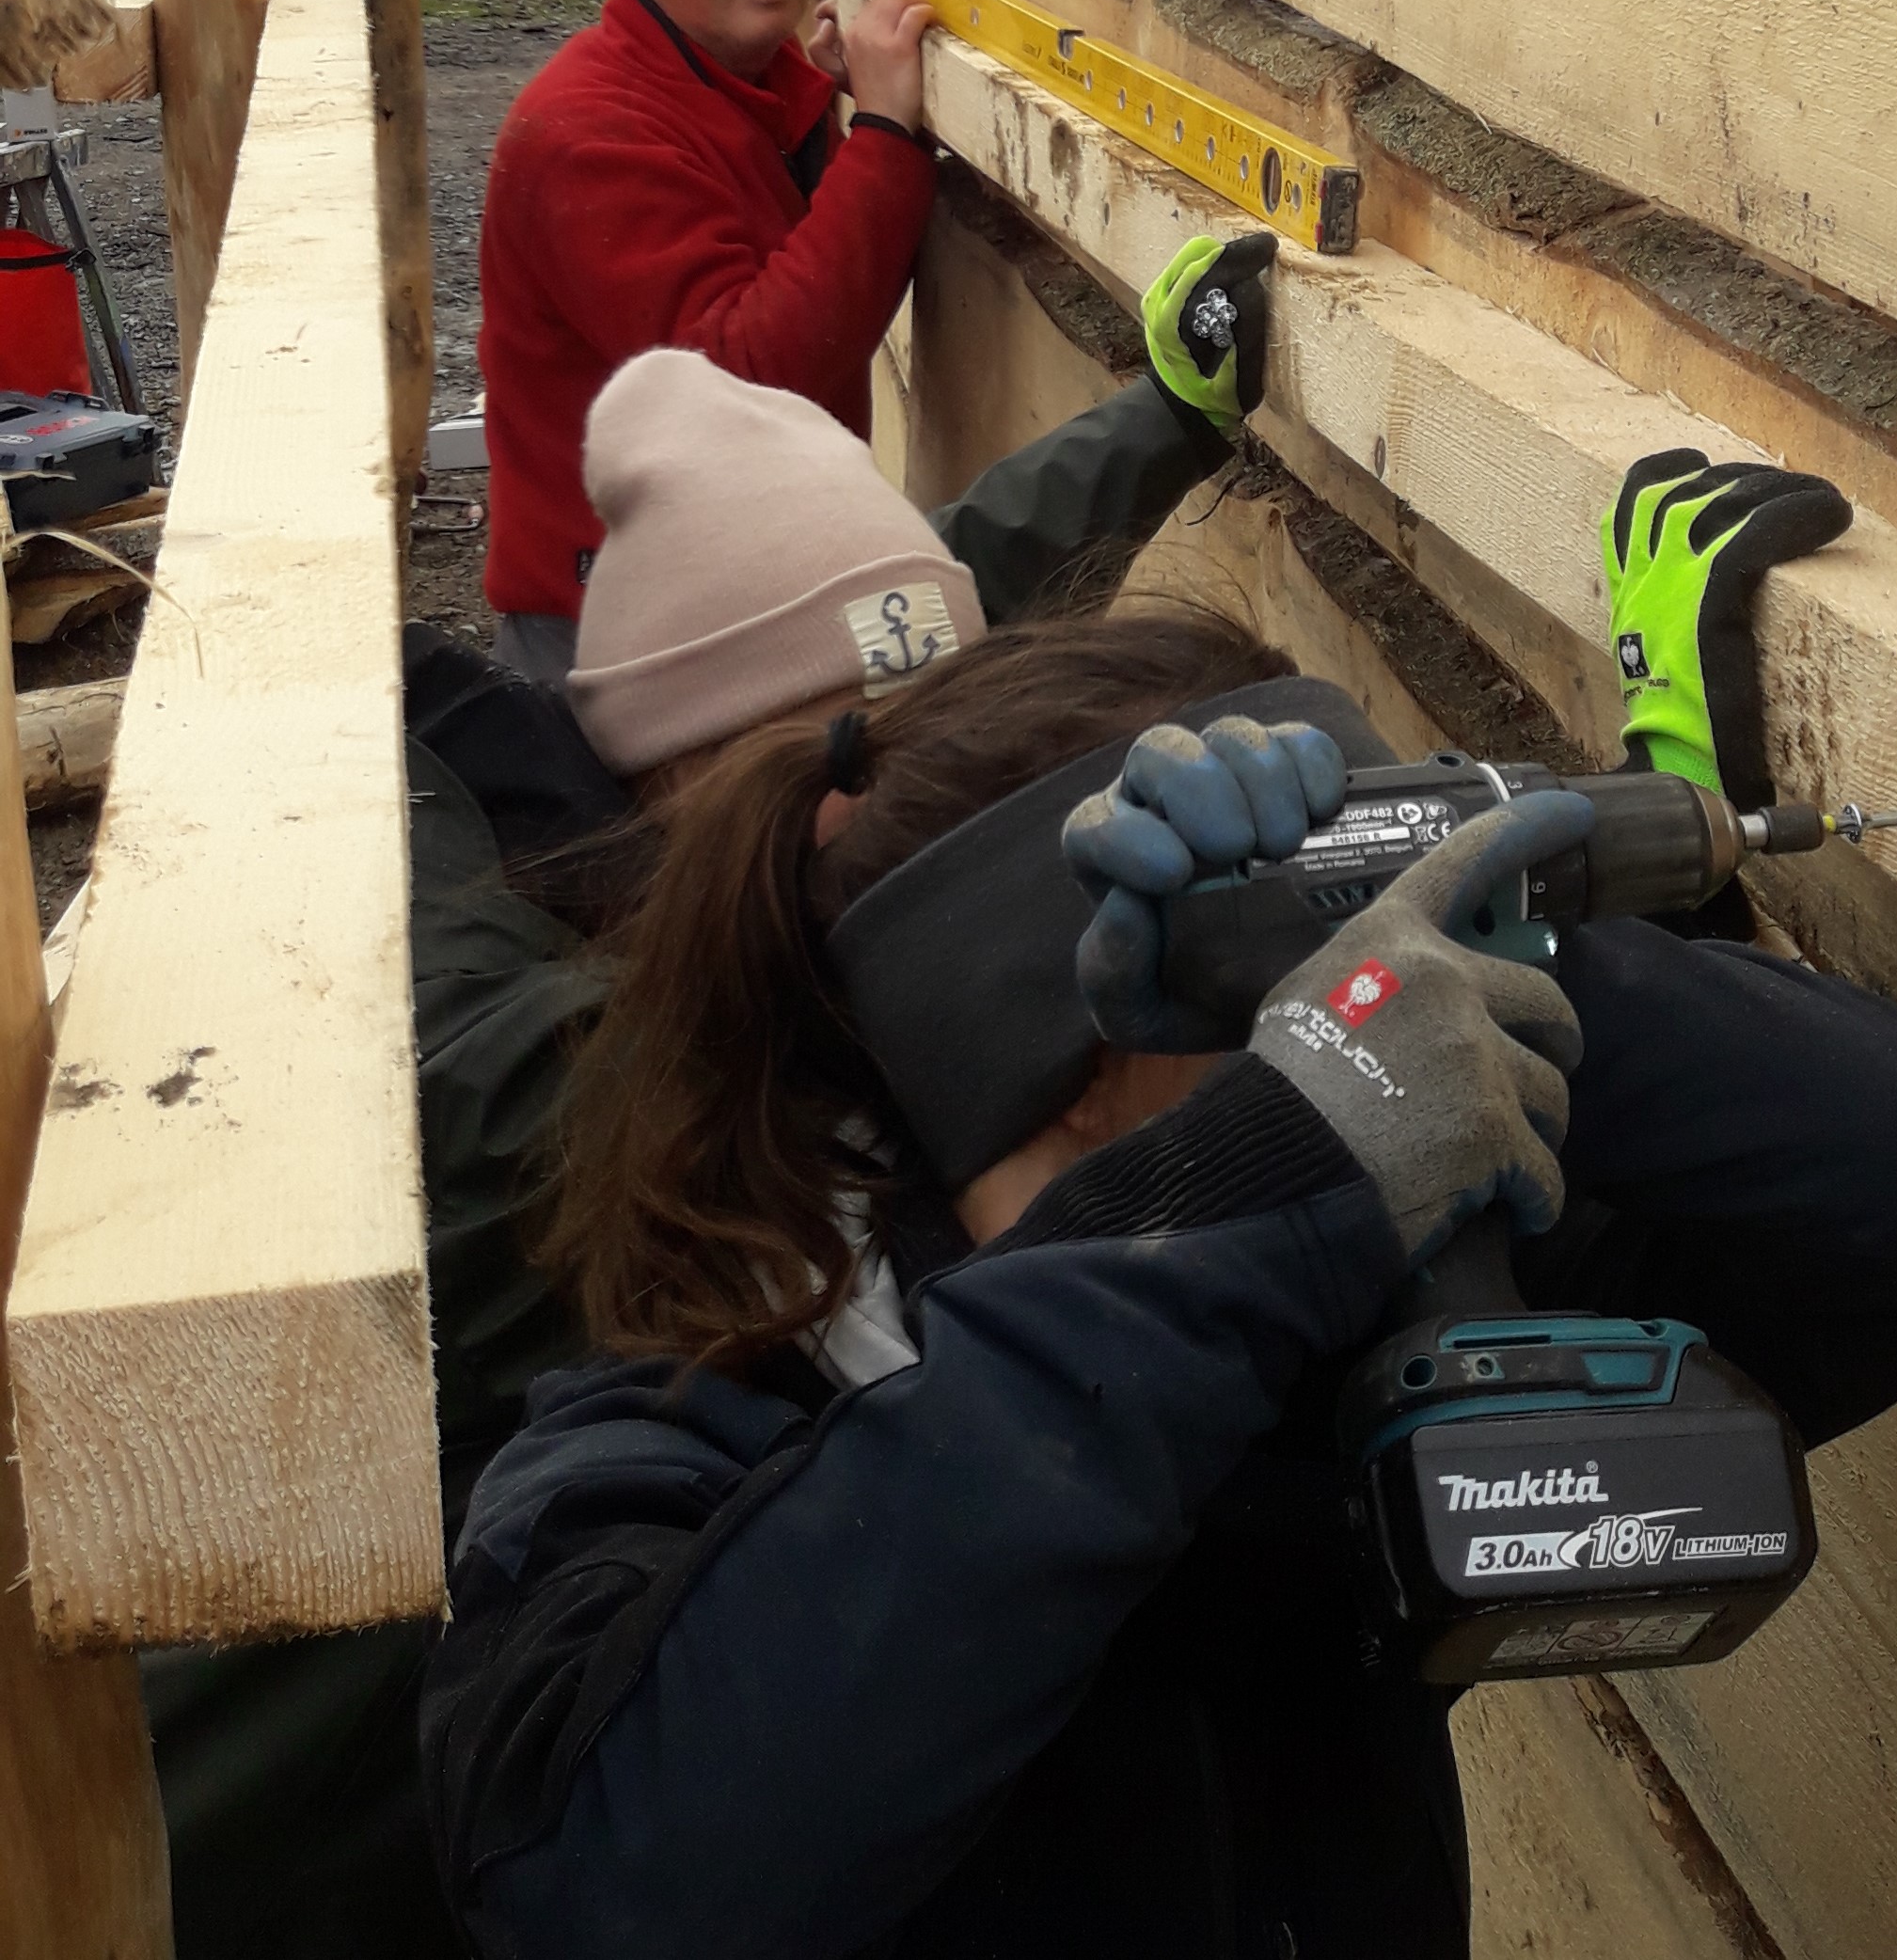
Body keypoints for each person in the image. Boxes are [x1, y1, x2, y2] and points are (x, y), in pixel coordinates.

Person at [417, 603, 1897, 1958]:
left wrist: (1491, 924)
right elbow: (625, 1892)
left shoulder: (1303, 1358)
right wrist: (1259, 1172)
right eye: (1291, 1023)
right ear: (1073, 1075)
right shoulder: (643, 1462)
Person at [143, 232, 1277, 1960]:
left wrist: (1162, 418)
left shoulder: (677, 817)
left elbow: (895, 615)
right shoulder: (568, 1083)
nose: (934, 807)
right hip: (266, 1870)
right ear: (737, 787)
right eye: (885, 764)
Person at [476, 0, 941, 685]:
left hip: (739, 599)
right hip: (620, 654)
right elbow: (744, 385)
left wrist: (825, 107)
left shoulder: (741, 84)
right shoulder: (584, 132)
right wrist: (885, 135)